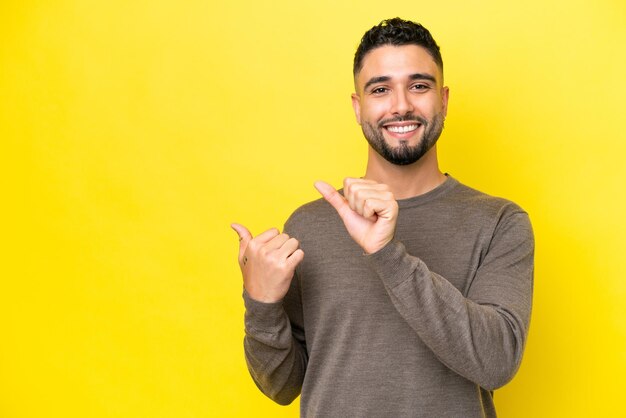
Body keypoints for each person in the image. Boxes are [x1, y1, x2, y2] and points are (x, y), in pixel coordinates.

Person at [231, 17, 534, 418]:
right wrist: (261, 304)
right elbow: (284, 386)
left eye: (419, 86)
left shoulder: (500, 223)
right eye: (380, 90)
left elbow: (496, 362)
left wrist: (387, 253)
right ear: (358, 108)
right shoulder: (308, 227)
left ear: (443, 100)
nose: (401, 105)